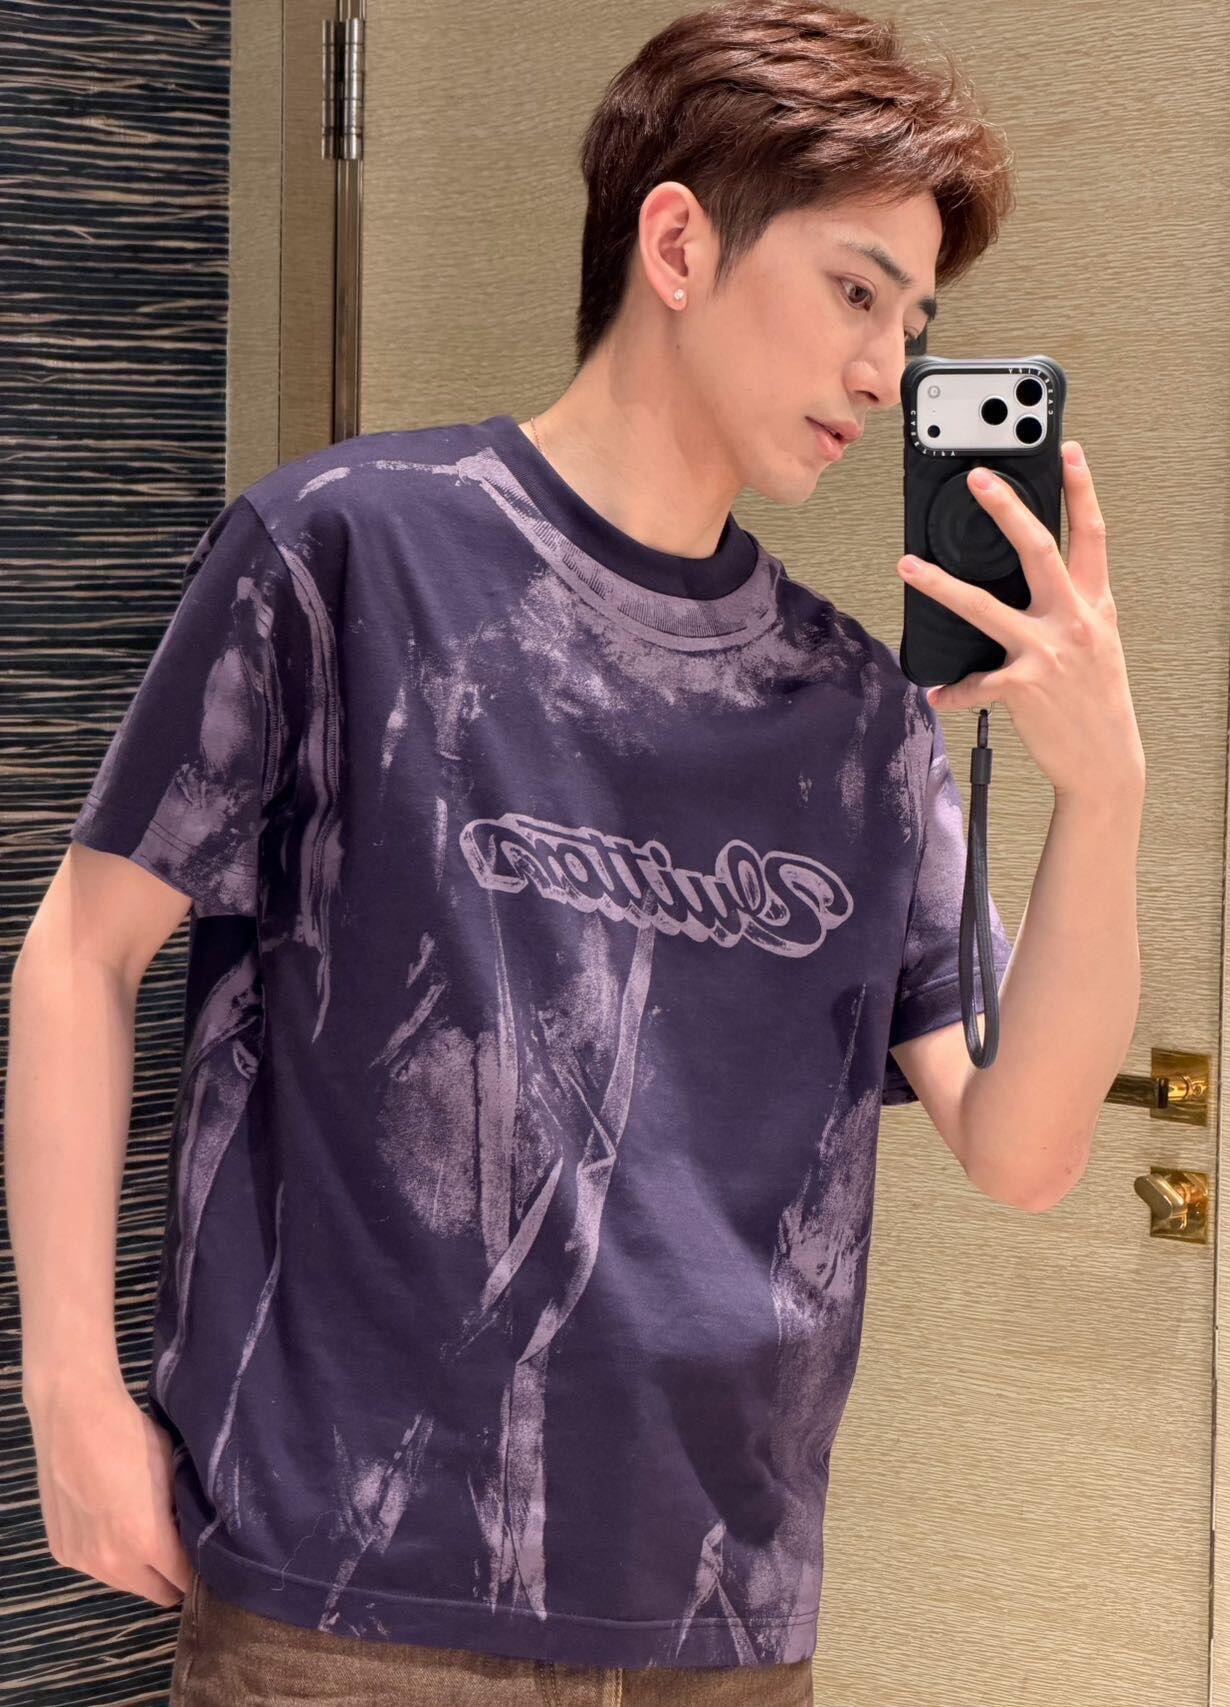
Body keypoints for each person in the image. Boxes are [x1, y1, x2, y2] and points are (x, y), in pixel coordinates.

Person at [9, 2, 1021, 1700]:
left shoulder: (859, 711)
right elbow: (79, 949)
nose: (886, 371)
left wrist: (1105, 776)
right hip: (348, 1595)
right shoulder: (346, 549)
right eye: (858, 293)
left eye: (916, 325)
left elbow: (1020, 1138)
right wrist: (69, 1393)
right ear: (679, 245)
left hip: (720, 1609)